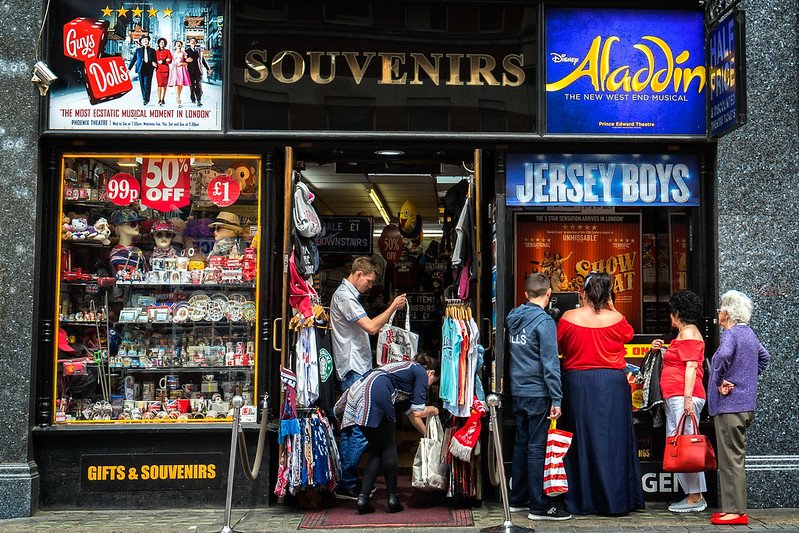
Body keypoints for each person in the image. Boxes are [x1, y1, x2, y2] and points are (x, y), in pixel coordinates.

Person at [556, 272, 644, 515]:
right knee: (614, 440)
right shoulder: (617, 318)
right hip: (612, 384)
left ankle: (584, 498)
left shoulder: (568, 317)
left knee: (580, 441)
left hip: (578, 383)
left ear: (583, 292)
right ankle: (616, 499)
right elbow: (628, 335)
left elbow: (560, 345)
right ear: (608, 295)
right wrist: (612, 307)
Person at [329, 256, 407, 500]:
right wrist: (392, 307)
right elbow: (371, 327)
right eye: (370, 281)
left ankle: (347, 481)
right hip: (353, 368)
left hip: (355, 366)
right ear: (358, 274)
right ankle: (348, 482)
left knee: (351, 429)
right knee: (362, 428)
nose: (371, 286)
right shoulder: (344, 296)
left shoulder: (349, 296)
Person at [335, 356, 439, 514]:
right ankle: (393, 499)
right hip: (375, 391)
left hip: (357, 394)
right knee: (389, 447)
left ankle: (363, 499)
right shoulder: (419, 371)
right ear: (430, 373)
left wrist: (430, 436)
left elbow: (413, 415)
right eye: (433, 382)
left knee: (378, 449)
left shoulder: (404, 377)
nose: (428, 386)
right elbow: (419, 411)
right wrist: (433, 410)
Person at [506, 272, 570, 521]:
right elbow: (550, 363)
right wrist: (557, 398)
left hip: (518, 390)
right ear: (549, 294)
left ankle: (517, 499)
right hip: (538, 392)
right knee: (536, 448)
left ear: (525, 294)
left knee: (521, 445)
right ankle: (538, 506)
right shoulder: (544, 323)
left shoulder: (512, 318)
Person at [708, 290, 770, 526]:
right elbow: (765, 358)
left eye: (721, 308)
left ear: (728, 313)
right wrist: (746, 381)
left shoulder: (731, 334)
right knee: (735, 457)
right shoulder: (750, 335)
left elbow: (721, 357)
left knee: (730, 460)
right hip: (745, 406)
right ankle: (732, 509)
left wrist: (718, 381)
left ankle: (735, 511)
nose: (718, 312)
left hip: (730, 406)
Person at [651, 290, 708, 513]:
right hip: (678, 396)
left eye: (670, 313)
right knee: (681, 443)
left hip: (684, 397)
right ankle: (694, 494)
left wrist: (686, 399)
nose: (669, 317)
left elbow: (692, 365)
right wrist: (663, 350)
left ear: (676, 314)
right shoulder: (685, 334)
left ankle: (695, 497)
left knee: (685, 445)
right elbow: (681, 359)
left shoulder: (690, 334)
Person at [127, 35, 156, 105]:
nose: (145, 41)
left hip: (149, 68)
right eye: (143, 40)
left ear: (148, 41)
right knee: (142, 84)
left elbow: (155, 60)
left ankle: (146, 99)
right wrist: (129, 69)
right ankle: (144, 98)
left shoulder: (152, 50)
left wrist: (153, 64)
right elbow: (133, 60)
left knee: (147, 84)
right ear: (141, 42)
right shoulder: (138, 50)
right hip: (141, 68)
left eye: (146, 40)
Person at [185, 38, 211, 107]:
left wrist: (208, 69)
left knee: (198, 85)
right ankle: (192, 96)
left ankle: (199, 100)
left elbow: (203, 60)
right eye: (191, 41)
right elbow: (184, 60)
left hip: (199, 70)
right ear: (189, 43)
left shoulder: (199, 50)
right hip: (190, 71)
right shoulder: (187, 51)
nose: (193, 42)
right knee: (192, 86)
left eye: (194, 41)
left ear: (196, 43)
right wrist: (186, 60)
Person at [168, 40, 191, 108]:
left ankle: (178, 96)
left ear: (181, 45)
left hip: (182, 69)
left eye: (180, 44)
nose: (178, 45)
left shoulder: (184, 53)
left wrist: (184, 63)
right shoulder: (172, 53)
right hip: (175, 69)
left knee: (181, 84)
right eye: (177, 44)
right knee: (177, 83)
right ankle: (178, 98)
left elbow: (187, 61)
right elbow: (170, 61)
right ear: (175, 46)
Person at [153, 37, 172, 106]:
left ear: (165, 44)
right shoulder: (155, 52)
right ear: (158, 44)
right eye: (161, 42)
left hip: (166, 70)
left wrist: (163, 61)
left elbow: (170, 60)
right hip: (158, 70)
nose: (162, 44)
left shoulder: (167, 51)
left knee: (164, 85)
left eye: (163, 43)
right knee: (159, 85)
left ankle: (163, 98)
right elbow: (153, 60)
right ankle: (159, 99)